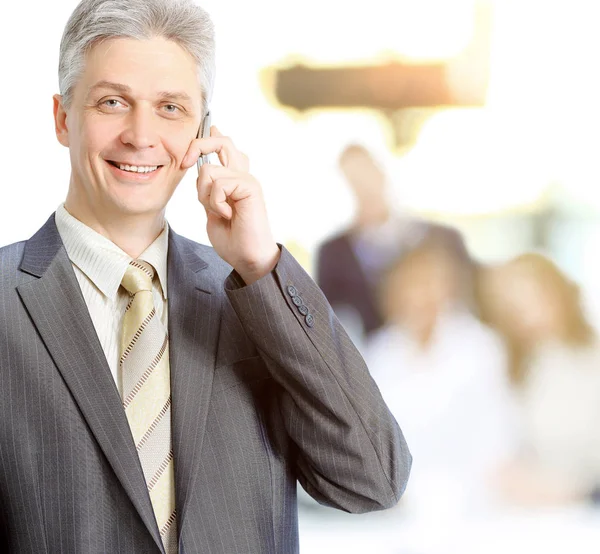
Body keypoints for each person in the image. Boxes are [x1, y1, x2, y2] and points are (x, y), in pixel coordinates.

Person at [0, 1, 411, 552]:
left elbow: (374, 479)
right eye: (113, 102)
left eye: (170, 107)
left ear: (203, 132)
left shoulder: (251, 295)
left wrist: (262, 267)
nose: (141, 135)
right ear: (62, 118)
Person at [366, 240, 515, 518]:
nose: (423, 294)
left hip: (474, 501)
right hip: (395, 506)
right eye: (413, 284)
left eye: (433, 282)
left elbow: (496, 433)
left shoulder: (480, 347)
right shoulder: (378, 354)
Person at [316, 143, 468, 346]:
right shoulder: (333, 254)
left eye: (366, 174)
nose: (364, 187)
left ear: (381, 173)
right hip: (373, 356)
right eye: (353, 180)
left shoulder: (441, 237)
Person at [479, 253, 600, 507]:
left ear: (560, 294)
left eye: (533, 299)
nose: (526, 316)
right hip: (542, 511)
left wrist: (577, 490)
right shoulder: (522, 367)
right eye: (513, 307)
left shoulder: (591, 357)